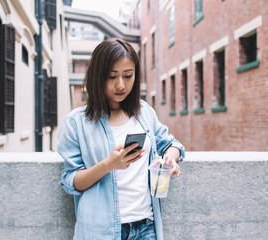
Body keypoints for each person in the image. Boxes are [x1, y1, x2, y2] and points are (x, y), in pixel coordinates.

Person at [58, 38, 185, 240]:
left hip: (146, 226)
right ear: (97, 77)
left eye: (128, 76)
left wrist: (170, 158)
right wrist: (109, 164)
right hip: (101, 231)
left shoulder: (144, 113)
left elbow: (172, 144)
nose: (120, 84)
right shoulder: (76, 123)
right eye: (111, 76)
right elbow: (71, 181)